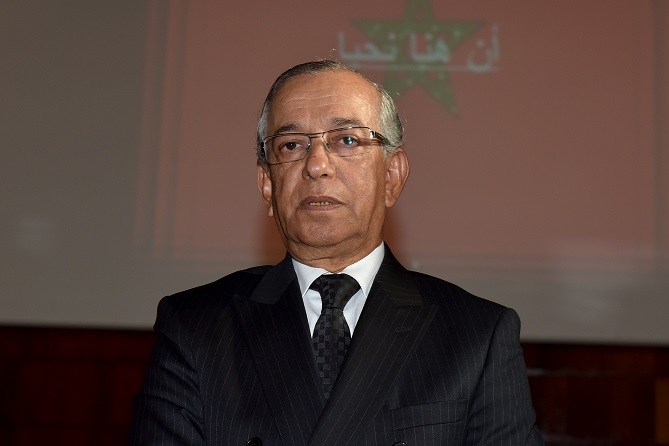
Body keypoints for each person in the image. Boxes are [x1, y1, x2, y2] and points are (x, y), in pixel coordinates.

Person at [128, 60, 544, 445]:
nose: (317, 165)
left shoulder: (477, 336)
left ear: (392, 175)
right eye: (291, 145)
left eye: (346, 140)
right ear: (267, 185)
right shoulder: (195, 327)